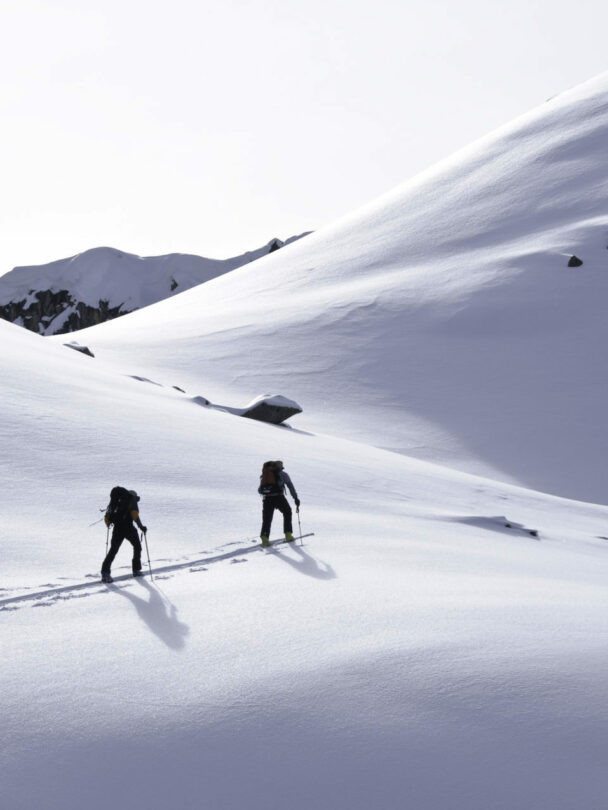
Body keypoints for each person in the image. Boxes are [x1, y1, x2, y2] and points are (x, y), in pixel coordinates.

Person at [101, 487, 147, 583]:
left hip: (117, 529)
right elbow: (135, 515)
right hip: (128, 528)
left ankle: (105, 573)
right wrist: (141, 526)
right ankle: (136, 570)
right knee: (137, 547)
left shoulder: (115, 502)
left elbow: (107, 518)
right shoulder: (131, 500)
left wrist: (109, 523)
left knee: (113, 550)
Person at [258, 460, 300, 547]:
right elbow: (290, 486)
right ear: (280, 467)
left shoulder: (265, 474)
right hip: (279, 497)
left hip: (267, 499)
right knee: (287, 512)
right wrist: (295, 498)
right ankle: (288, 535)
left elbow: (259, 490)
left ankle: (265, 539)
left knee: (267, 519)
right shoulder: (283, 474)